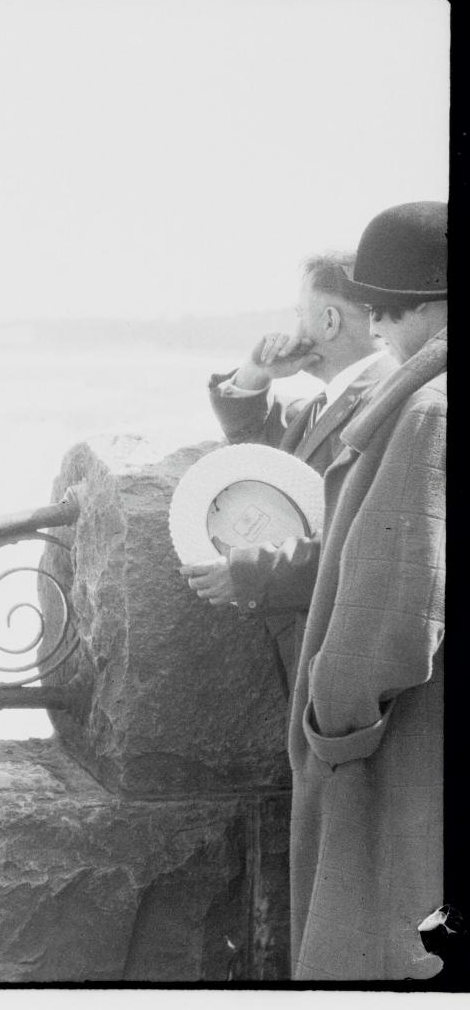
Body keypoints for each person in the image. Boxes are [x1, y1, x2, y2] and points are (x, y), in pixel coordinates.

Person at [288, 201, 446, 979]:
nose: (378, 330)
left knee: (382, 953)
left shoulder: (428, 411)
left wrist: (331, 729)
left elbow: (392, 612)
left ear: (410, 308)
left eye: (382, 312)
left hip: (402, 755)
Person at [181, 256, 397, 696]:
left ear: (330, 321)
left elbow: (370, 541)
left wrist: (246, 572)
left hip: (347, 655)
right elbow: (256, 452)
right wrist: (256, 372)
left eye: (301, 314)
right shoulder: (328, 402)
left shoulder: (385, 402)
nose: (295, 329)